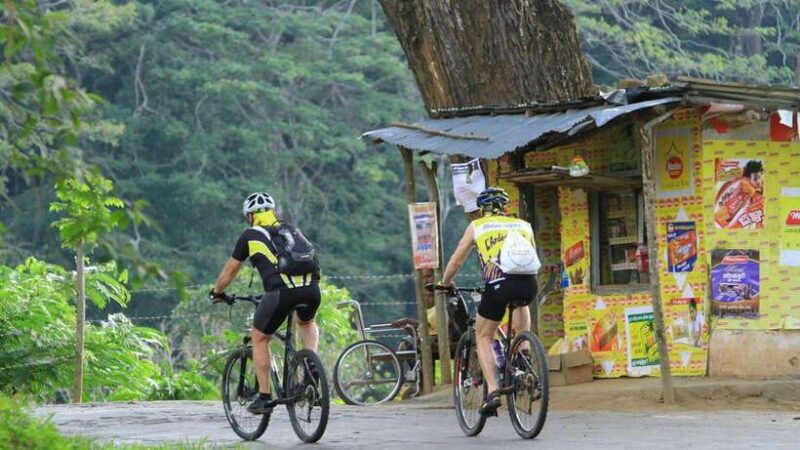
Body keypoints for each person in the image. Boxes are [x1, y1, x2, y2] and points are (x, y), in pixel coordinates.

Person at [210, 192, 321, 415]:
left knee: (260, 338)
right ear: (272, 212)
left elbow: (231, 269)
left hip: (281, 293)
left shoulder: (250, 235)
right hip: (311, 290)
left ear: (250, 216)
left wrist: (217, 292)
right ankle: (311, 369)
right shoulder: (291, 229)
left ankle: (264, 397)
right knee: (307, 322)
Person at [440, 187, 538, 417]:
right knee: (521, 303)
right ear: (505, 207)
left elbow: (456, 261)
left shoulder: (478, 226)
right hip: (528, 284)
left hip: (498, 285)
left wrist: (445, 283)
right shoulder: (523, 225)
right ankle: (523, 352)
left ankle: (493, 390)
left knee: (483, 335)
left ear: (482, 210)